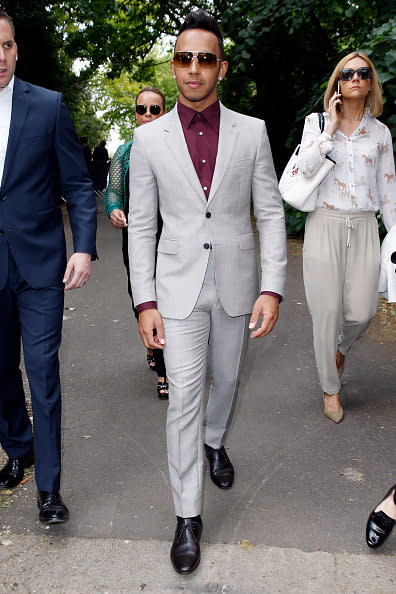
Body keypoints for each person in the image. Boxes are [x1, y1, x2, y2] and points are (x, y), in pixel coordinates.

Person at [129, 10, 287, 574]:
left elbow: (270, 213)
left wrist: (273, 288)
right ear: (173, 65)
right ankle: (187, 517)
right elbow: (143, 227)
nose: (193, 69)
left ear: (221, 66)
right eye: (183, 58)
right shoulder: (147, 140)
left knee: (227, 379)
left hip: (238, 283)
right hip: (176, 288)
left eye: (204, 58)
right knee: (184, 397)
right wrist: (144, 301)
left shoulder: (252, 131)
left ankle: (215, 440)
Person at [0, 10, 97, 524]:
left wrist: (83, 246)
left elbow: (79, 185)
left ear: (17, 49)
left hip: (40, 268)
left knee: (42, 372)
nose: (0, 56)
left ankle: (49, 490)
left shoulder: (48, 106)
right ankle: (19, 446)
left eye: (7, 46)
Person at [297, 51, 396, 423]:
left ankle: (340, 349)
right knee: (327, 312)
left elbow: (389, 191)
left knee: (362, 311)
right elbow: (305, 167)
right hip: (325, 223)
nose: (355, 77)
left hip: (366, 226)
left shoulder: (381, 134)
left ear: (371, 82)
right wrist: (329, 130)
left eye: (363, 72)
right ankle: (330, 388)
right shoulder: (316, 122)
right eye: (347, 72)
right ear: (338, 82)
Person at [104, 87, 168, 399]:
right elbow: (113, 191)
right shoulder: (124, 152)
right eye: (142, 109)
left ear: (164, 112)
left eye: (154, 109)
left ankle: (164, 369)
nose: (147, 116)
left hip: (171, 236)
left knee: (169, 298)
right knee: (141, 294)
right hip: (136, 236)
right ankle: (154, 345)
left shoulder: (176, 148)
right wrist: (114, 209)